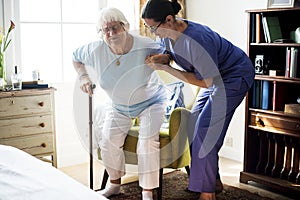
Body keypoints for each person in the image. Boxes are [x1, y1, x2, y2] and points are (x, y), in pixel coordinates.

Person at [142, 0, 255, 200]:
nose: (152, 32)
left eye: (153, 27)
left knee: (206, 128)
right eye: (147, 27)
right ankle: (213, 181)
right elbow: (169, 54)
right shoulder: (168, 33)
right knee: (194, 122)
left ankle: (207, 193)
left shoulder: (197, 39)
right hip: (215, 78)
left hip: (233, 75)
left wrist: (167, 69)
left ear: (169, 19)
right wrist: (160, 59)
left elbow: (206, 82)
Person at [72, 7, 169, 200]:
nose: (110, 33)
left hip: (151, 102)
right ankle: (114, 184)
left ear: (125, 27)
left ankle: (147, 191)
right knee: (108, 141)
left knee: (147, 141)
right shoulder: (95, 49)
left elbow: (169, 54)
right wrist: (83, 77)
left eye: (114, 27)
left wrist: (162, 60)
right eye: (105, 30)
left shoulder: (145, 44)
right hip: (118, 105)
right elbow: (75, 57)